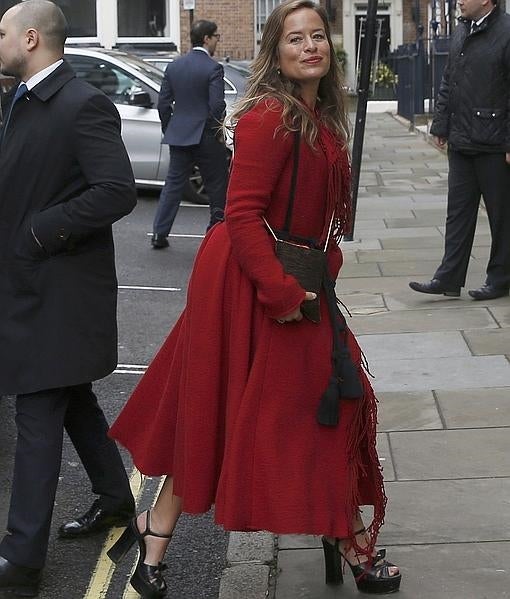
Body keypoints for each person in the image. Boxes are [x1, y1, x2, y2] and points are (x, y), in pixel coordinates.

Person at [108, 1, 401, 597]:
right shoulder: (272, 116)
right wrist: (283, 294)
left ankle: (153, 534)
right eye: (296, 39)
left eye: (318, 36)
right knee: (284, 408)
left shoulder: (316, 116)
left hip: (294, 276)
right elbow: (242, 216)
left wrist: (321, 269)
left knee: (311, 405)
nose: (311, 46)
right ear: (276, 51)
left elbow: (318, 219)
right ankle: (345, 542)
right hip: (252, 283)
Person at [0, 1, 137, 596]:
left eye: (1, 32)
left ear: (29, 37)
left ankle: (22, 558)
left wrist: (38, 231)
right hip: (32, 289)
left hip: (59, 295)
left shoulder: (82, 104)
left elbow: (117, 191)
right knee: (73, 398)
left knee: (36, 415)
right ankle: (114, 500)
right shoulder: (22, 99)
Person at [409, 0, 510, 301]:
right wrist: (440, 125)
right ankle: (448, 278)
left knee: (501, 216)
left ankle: (501, 278)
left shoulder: (506, 32)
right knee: (458, 214)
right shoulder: (461, 30)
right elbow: (448, 81)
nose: (460, 1)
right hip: (462, 140)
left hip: (494, 143)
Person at [151, 19, 229, 249]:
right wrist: (215, 130)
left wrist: (170, 129)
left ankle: (159, 234)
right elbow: (217, 106)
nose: (217, 41)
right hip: (206, 136)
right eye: (216, 37)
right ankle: (215, 235)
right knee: (216, 186)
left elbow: (163, 105)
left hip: (179, 135)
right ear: (206, 39)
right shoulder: (213, 67)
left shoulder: (174, 66)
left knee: (172, 186)